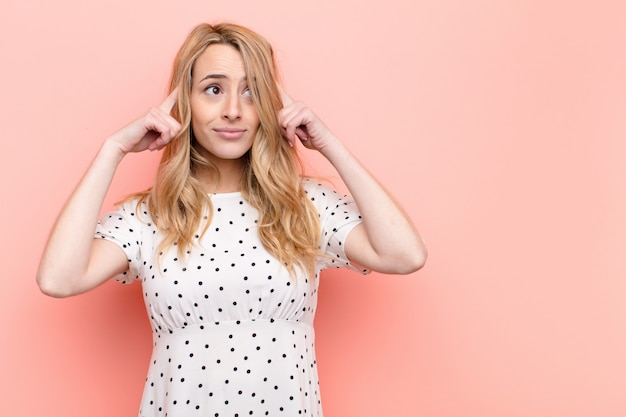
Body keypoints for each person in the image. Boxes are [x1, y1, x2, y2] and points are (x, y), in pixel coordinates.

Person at [36, 22, 426, 417]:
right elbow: (58, 279)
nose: (234, 110)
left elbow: (404, 255)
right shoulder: (151, 216)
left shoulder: (303, 204)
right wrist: (113, 149)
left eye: (252, 91)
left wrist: (329, 144)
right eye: (213, 89)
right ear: (183, 102)